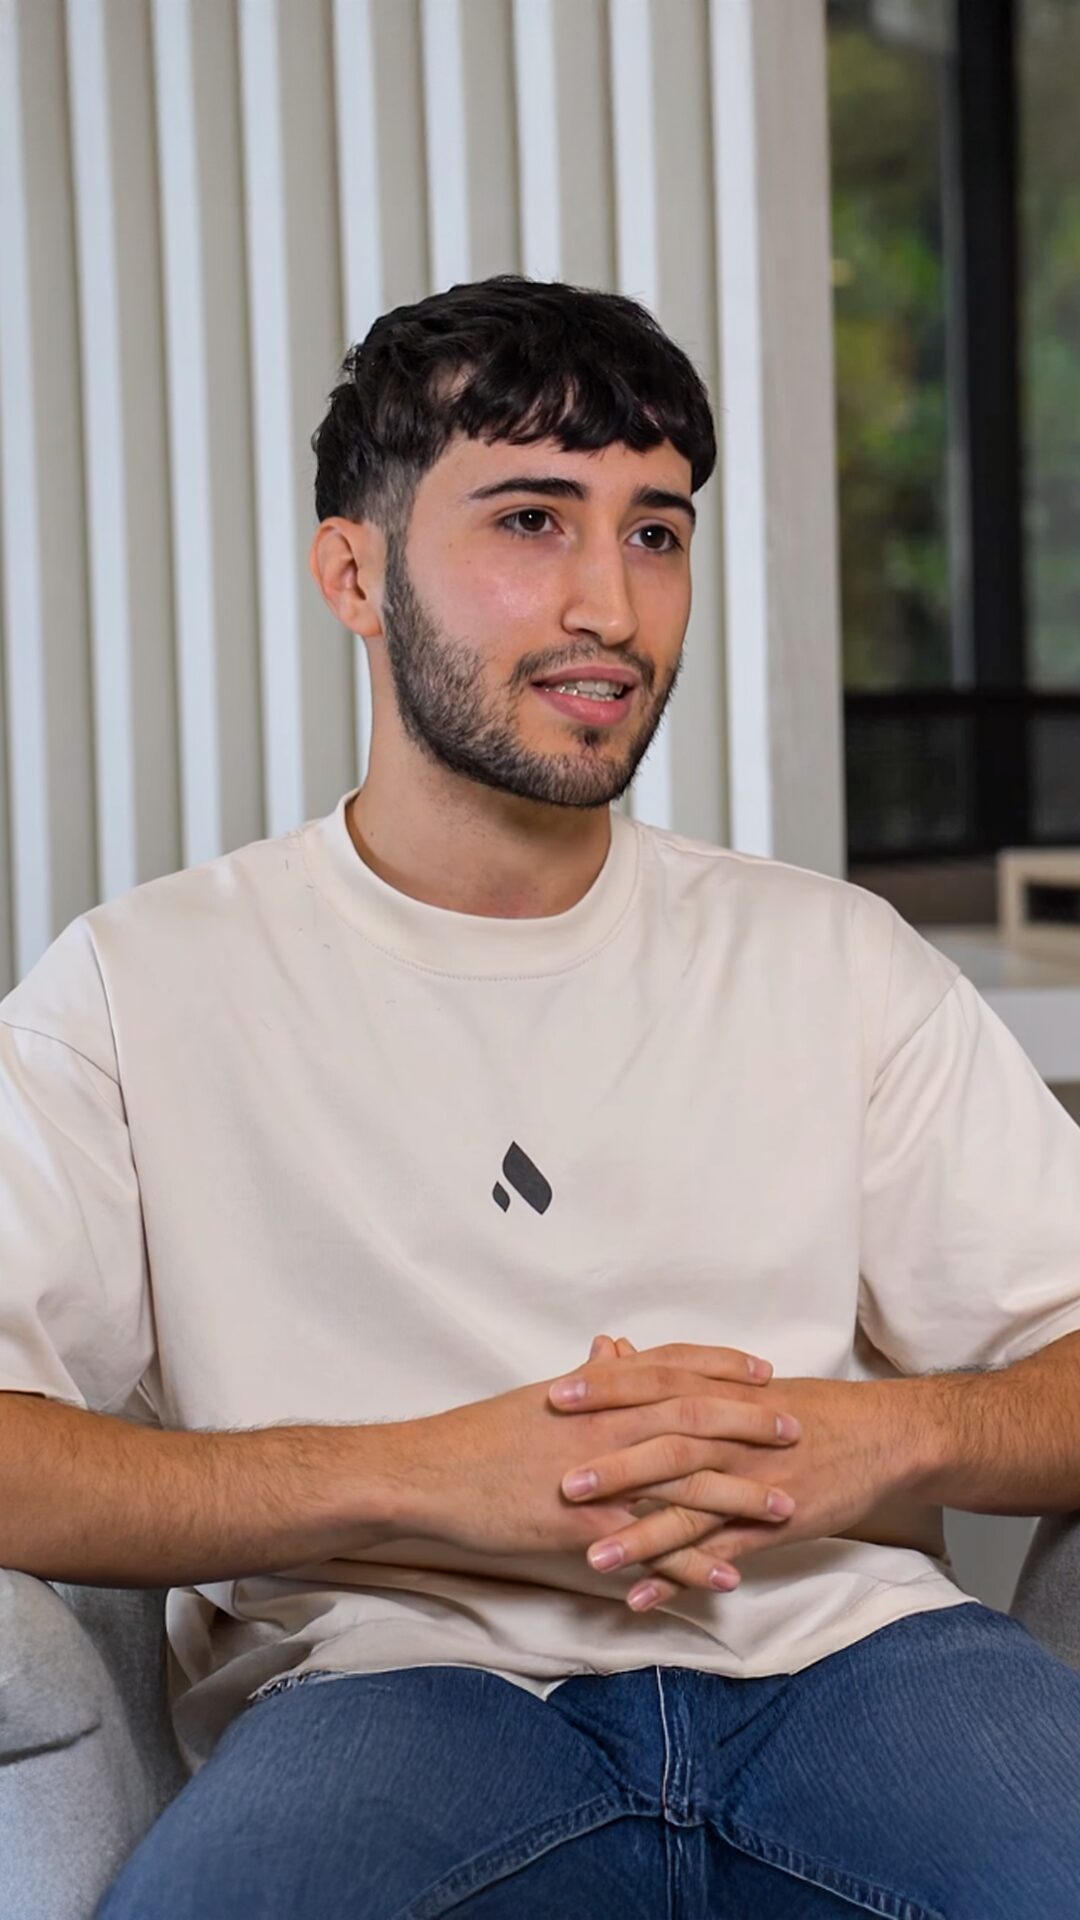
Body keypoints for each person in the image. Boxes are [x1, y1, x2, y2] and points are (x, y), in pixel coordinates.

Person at [2, 276, 1080, 1918]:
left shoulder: (832, 956)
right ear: (352, 574)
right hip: (386, 1690)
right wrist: (419, 1476)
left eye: (655, 534)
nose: (611, 606)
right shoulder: (140, 984)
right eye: (531, 520)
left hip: (861, 1668)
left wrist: (883, 1439)